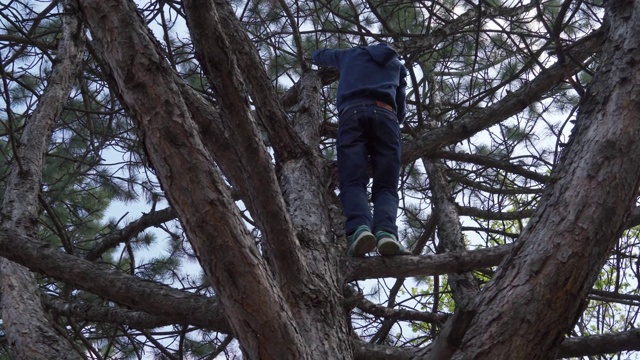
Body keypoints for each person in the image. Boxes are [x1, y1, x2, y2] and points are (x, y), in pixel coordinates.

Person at [313, 42, 410, 257]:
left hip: (352, 114)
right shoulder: (397, 64)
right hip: (387, 117)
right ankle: (386, 233)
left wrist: (312, 56)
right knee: (386, 185)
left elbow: (321, 55)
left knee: (353, 180)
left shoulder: (350, 54)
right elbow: (400, 105)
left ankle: (360, 229)